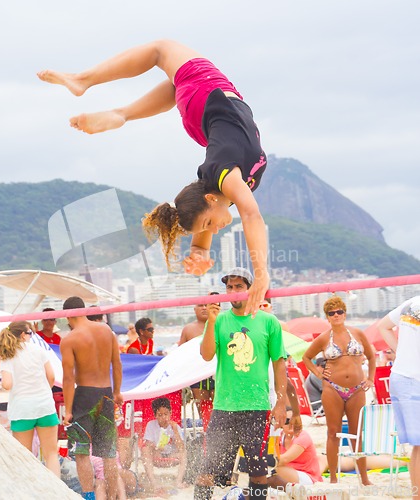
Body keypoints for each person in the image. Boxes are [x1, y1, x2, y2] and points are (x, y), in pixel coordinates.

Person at [37, 39, 269, 316]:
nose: (216, 228)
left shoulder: (225, 180)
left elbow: (251, 216)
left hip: (207, 94)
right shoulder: (221, 188)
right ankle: (121, 113)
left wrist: (261, 273)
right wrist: (199, 250)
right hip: (201, 118)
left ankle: (84, 80)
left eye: (208, 223)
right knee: (176, 83)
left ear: (209, 198)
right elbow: (215, 209)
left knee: (161, 50)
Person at [195, 267, 287, 500]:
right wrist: (212, 320)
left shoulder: (268, 321)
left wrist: (281, 401)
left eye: (239, 286)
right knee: (208, 469)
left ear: (249, 289)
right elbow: (206, 355)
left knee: (257, 471)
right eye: (229, 287)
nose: (233, 291)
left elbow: (278, 363)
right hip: (224, 405)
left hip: (256, 406)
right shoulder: (219, 320)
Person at [302, 297, 375, 485]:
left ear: (345, 313)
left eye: (339, 312)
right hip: (332, 388)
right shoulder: (324, 338)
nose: (336, 315)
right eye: (331, 313)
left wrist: (371, 379)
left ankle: (364, 478)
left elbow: (371, 356)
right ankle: (333, 478)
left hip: (357, 389)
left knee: (357, 433)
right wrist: (317, 371)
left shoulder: (358, 333)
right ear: (327, 317)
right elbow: (306, 357)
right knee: (332, 432)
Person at [61, 296, 123, 500]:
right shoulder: (106, 330)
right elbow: (117, 363)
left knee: (81, 452)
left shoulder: (70, 339)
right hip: (106, 394)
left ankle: (89, 497)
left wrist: (68, 410)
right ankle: (113, 496)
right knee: (108, 453)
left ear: (68, 315)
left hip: (85, 396)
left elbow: (69, 378)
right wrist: (117, 392)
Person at [0, 321, 60, 477]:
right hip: (45, 406)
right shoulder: (39, 350)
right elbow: (51, 376)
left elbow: (8, 384)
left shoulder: (8, 355)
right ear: (23, 335)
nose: (32, 337)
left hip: (22, 408)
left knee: (25, 457)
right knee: (51, 454)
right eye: (30, 333)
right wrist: (43, 390)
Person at [378, 296, 420, 498]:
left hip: (401, 377)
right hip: (414, 379)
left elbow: (383, 326)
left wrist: (400, 352)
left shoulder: (411, 302)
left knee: (418, 446)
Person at [267, 411, 322, 492]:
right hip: (290, 473)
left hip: (308, 477)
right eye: (287, 421)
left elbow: (284, 459)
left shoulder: (302, 436)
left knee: (274, 469)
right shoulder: (279, 436)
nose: (291, 424)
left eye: (295, 420)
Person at [141, 397, 187, 492]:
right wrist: (156, 447)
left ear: (170, 413)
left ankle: (178, 481)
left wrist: (175, 431)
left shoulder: (175, 426)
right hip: (157, 456)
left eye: (166, 414)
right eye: (160, 415)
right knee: (145, 450)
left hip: (171, 456)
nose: (163, 418)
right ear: (155, 416)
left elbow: (181, 447)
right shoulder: (151, 425)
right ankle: (154, 483)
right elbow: (147, 443)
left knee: (184, 453)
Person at [178, 303, 214, 420]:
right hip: (197, 375)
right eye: (200, 305)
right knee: (203, 411)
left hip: (216, 373)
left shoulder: (219, 325)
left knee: (218, 409)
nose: (204, 308)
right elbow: (180, 355)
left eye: (206, 305)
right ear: (195, 309)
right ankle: (206, 434)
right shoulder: (188, 329)